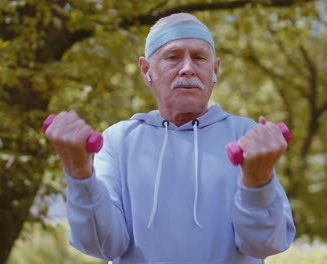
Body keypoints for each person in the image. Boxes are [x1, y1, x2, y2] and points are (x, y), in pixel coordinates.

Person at [45, 12, 295, 264]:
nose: (188, 68)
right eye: (173, 57)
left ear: (215, 70)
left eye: (199, 57)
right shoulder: (118, 141)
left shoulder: (245, 137)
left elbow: (263, 244)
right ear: (147, 70)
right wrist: (79, 174)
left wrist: (257, 182)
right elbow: (102, 244)